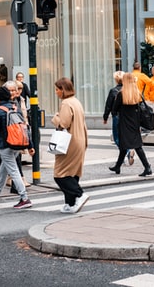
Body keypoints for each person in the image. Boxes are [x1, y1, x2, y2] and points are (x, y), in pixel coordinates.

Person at [0, 82, 33, 209]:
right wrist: (30, 145)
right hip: (16, 143)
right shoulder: (15, 107)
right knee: (3, 170)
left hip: (4, 144)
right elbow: (24, 127)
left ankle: (24, 198)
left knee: (13, 171)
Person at [52, 77, 90, 214]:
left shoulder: (66, 104)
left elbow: (64, 124)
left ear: (63, 90)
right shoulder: (76, 102)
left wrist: (55, 118)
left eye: (57, 89)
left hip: (69, 142)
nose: (56, 92)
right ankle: (70, 203)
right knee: (72, 173)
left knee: (60, 174)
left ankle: (79, 194)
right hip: (79, 140)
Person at [109, 73, 152, 177]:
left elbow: (114, 109)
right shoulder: (137, 93)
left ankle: (147, 167)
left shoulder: (121, 94)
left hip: (124, 122)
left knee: (133, 146)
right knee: (130, 145)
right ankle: (118, 166)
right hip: (135, 123)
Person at [103, 71, 134, 164]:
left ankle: (127, 151)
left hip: (116, 116)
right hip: (127, 117)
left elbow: (108, 105)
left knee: (116, 137)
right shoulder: (128, 90)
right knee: (125, 136)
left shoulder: (113, 91)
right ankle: (126, 153)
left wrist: (105, 117)